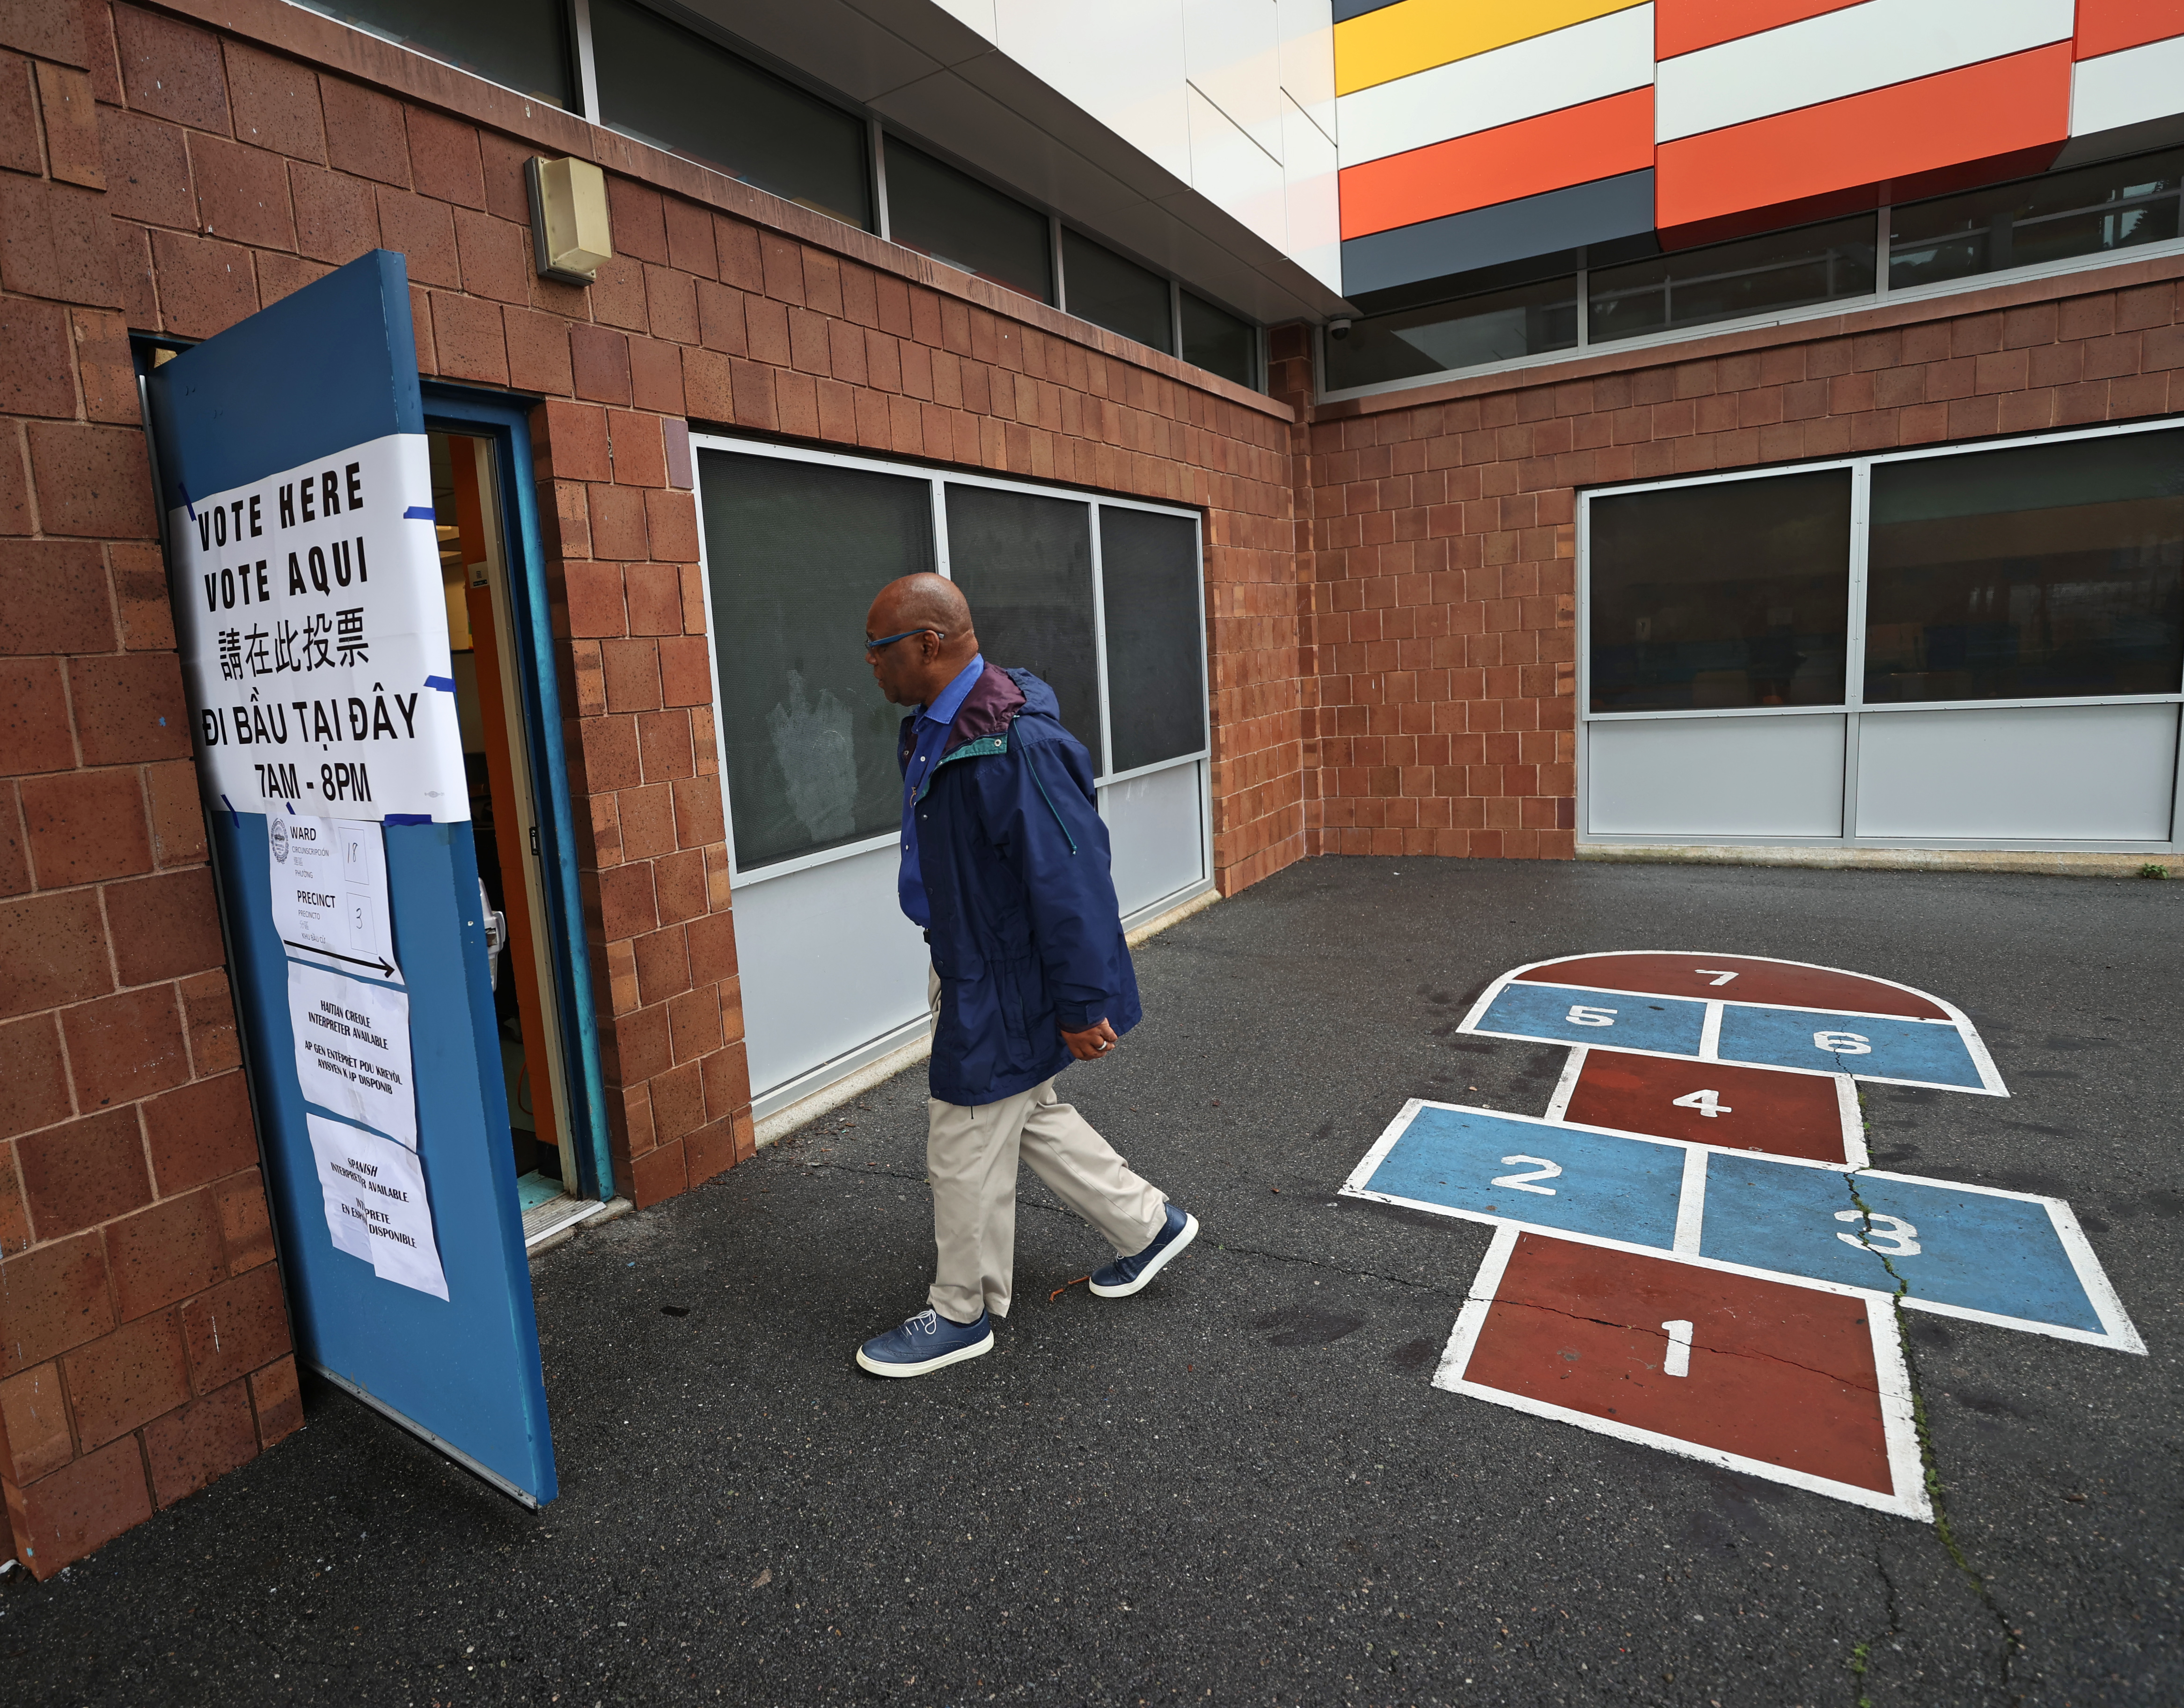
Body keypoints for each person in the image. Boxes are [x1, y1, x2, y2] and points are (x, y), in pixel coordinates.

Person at [853, 574, 1197, 1377]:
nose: (870, 666)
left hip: (1002, 980)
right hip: (968, 959)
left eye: (879, 650)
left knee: (962, 1140)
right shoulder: (936, 726)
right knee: (1024, 1111)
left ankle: (958, 1311)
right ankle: (1148, 1225)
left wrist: (1082, 1005)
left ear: (928, 645)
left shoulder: (1014, 744)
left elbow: (1072, 884)